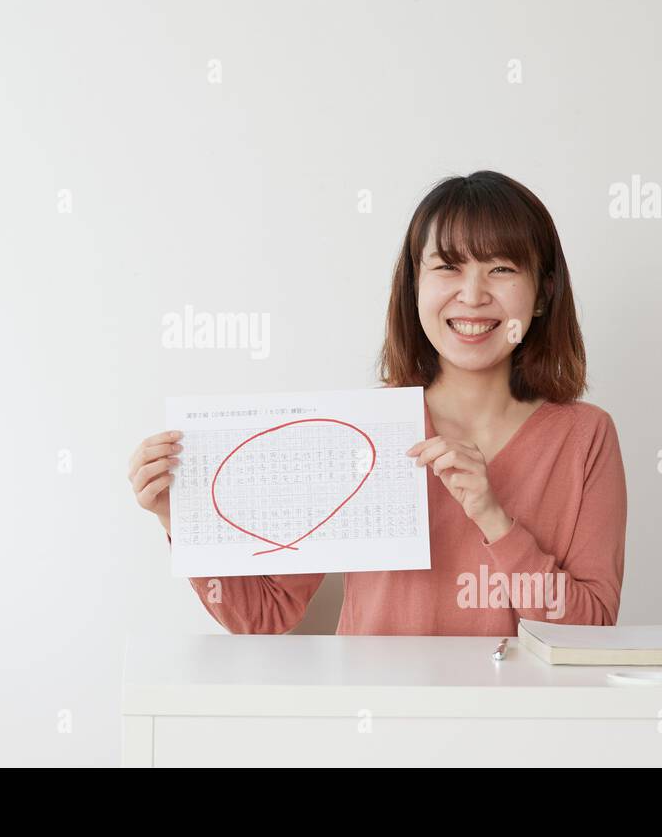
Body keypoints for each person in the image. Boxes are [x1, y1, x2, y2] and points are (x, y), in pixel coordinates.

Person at [127, 171, 627, 635]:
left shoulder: (585, 437)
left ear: (542, 294)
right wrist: (184, 520)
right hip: (377, 722)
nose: (472, 295)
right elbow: (264, 614)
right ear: (414, 286)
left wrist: (493, 517)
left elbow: (591, 630)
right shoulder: (360, 430)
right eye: (448, 267)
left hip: (522, 726)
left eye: (501, 268)